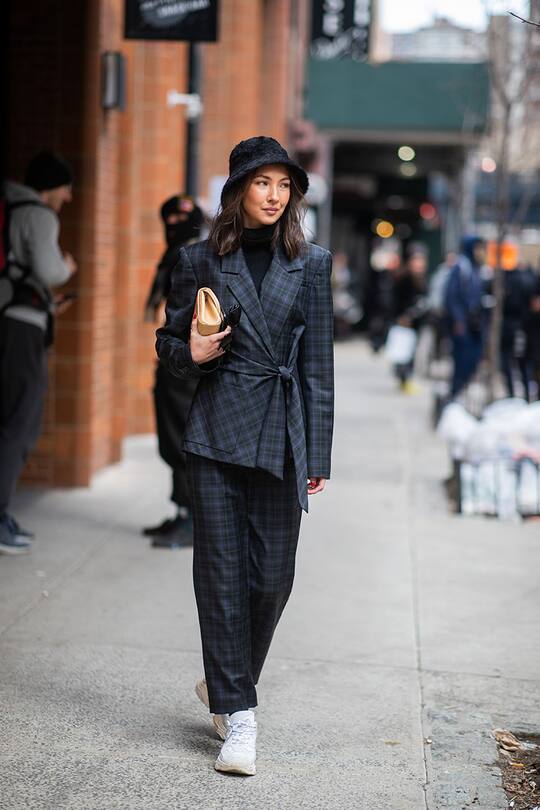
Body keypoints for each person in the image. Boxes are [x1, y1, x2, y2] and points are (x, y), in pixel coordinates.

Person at [156, 136, 334, 776]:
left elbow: (318, 366)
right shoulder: (199, 259)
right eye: (263, 183)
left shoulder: (311, 263)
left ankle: (226, 687)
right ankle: (241, 722)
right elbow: (169, 342)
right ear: (238, 190)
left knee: (272, 580)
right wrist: (193, 354)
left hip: (282, 435)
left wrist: (318, 448)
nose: (275, 195)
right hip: (217, 430)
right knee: (221, 579)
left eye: (285, 186)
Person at [0, 151, 77, 555]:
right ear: (50, 185)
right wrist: (66, 266)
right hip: (21, 327)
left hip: (7, 314)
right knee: (20, 421)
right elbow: (48, 271)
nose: (66, 198)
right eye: (66, 189)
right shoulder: (39, 213)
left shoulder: (9, 205)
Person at [143, 195, 203, 548]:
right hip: (173, 359)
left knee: (184, 440)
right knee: (171, 438)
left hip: (190, 364)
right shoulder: (177, 252)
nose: (176, 222)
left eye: (183, 216)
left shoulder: (196, 254)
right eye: (170, 216)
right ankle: (181, 510)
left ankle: (194, 518)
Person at [445, 236, 487, 399]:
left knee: (473, 360)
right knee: (462, 361)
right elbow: (452, 296)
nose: (480, 252)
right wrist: (458, 320)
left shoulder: (478, 269)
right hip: (463, 326)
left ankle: (457, 394)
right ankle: (454, 396)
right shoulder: (461, 268)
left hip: (475, 325)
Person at [391, 243, 429, 393]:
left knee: (411, 350)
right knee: (404, 350)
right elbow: (396, 300)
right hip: (405, 320)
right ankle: (404, 378)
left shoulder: (421, 277)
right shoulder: (404, 277)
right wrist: (402, 316)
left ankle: (406, 378)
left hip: (416, 320)